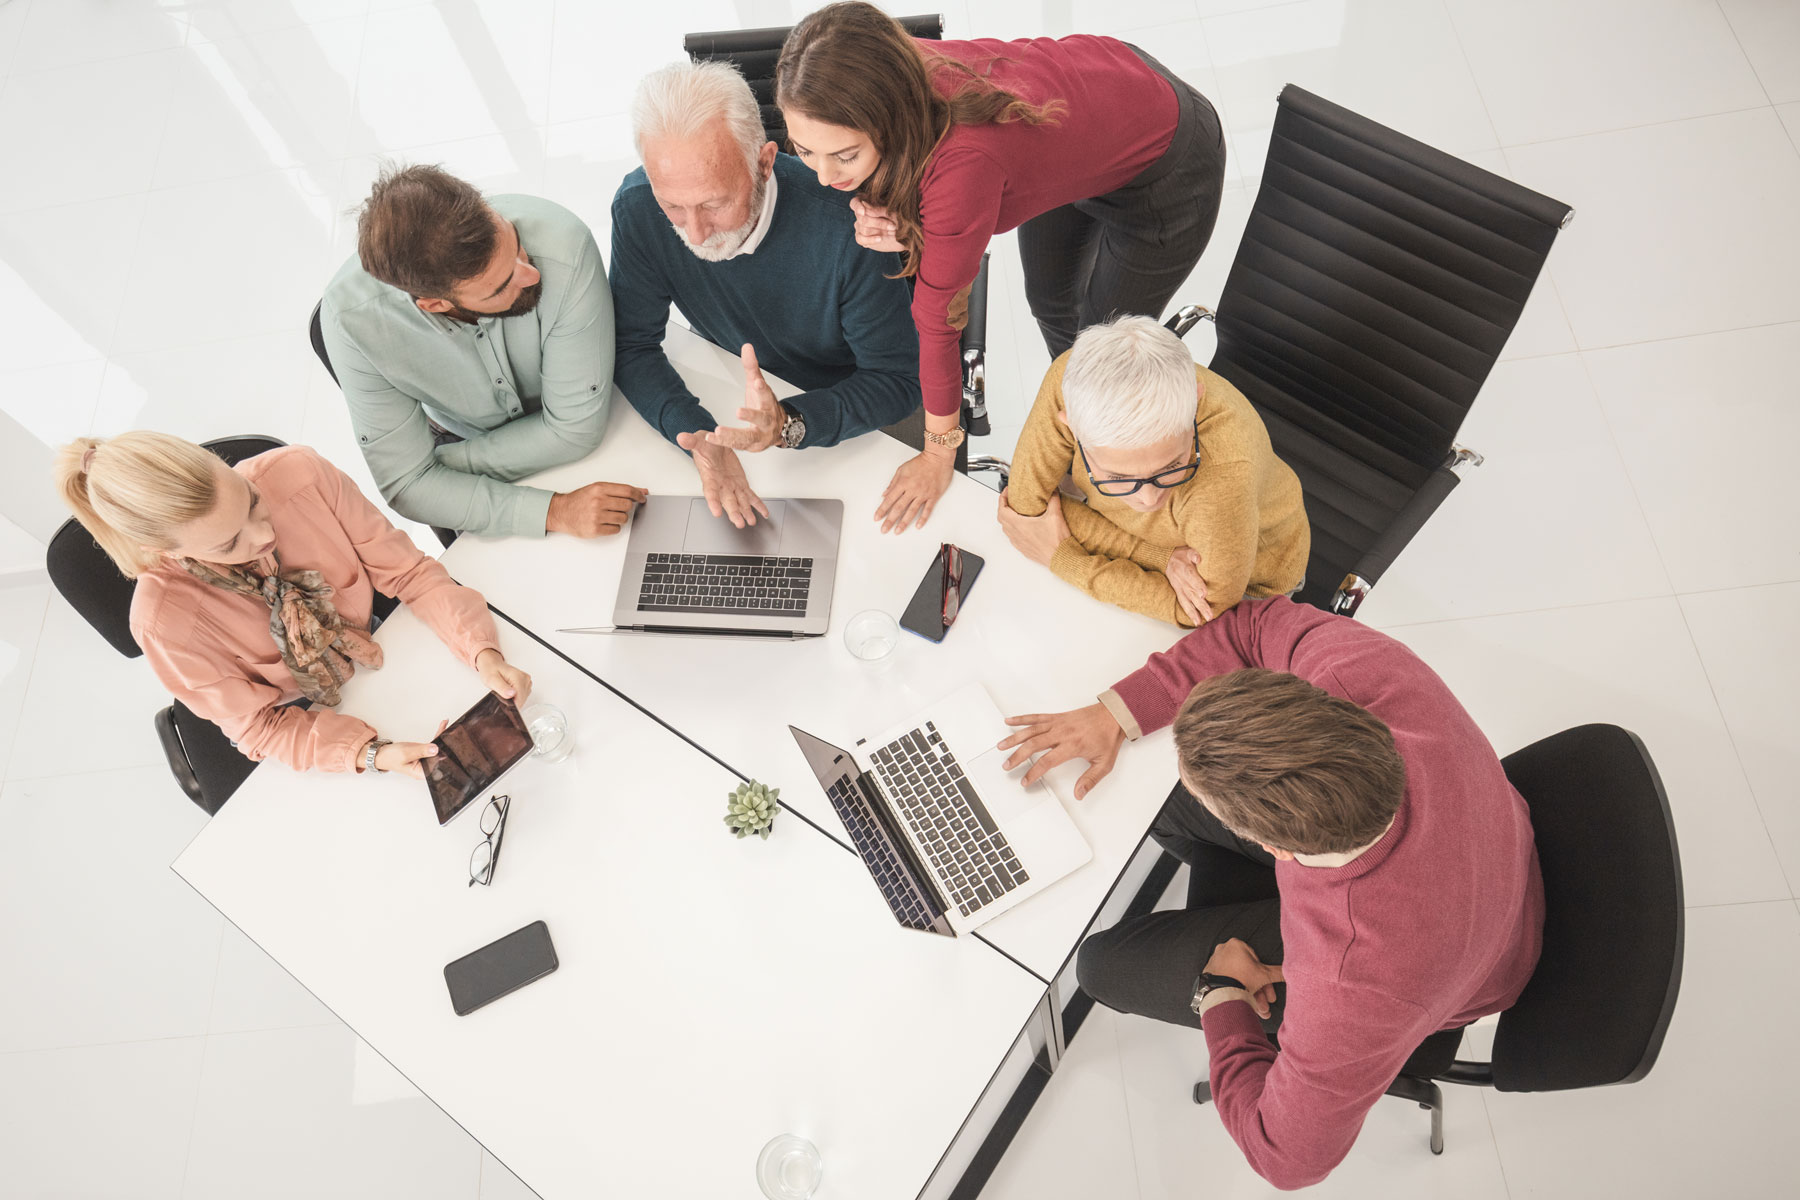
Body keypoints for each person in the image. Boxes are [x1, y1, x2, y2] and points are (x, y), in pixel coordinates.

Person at [996, 597, 1543, 1189]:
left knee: (1100, 965)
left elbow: (1287, 1161)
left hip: (1454, 955)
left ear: (1278, 851)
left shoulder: (1353, 984)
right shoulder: (1367, 674)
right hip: (1471, 845)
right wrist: (1119, 714)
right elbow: (1255, 623)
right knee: (1155, 796)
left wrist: (1221, 997)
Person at [775, 3, 1227, 532]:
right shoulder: (886, 66)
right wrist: (915, 219)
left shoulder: (965, 164)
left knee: (1106, 351)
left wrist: (939, 452)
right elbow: (939, 198)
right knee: (1051, 301)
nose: (825, 177)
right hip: (1080, 120)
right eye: (805, 151)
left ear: (888, 118)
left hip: (1165, 162)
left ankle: (1107, 446)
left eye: (844, 156)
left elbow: (938, 320)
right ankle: (1083, 410)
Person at [56, 432, 532, 778]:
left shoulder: (300, 473)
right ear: (169, 552)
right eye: (228, 544)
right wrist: (371, 754)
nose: (264, 535)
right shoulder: (165, 625)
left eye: (250, 501)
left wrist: (482, 651)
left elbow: (408, 574)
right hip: (310, 712)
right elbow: (261, 728)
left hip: (386, 642)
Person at [611, 62, 923, 531]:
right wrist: (697, 434)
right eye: (673, 205)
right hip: (736, 392)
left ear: (764, 161)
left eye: (714, 204)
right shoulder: (638, 207)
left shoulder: (851, 229)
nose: (693, 232)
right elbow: (631, 343)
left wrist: (788, 424)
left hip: (849, 405)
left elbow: (897, 380)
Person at [321, 164, 645, 540]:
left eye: (516, 247)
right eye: (501, 286)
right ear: (435, 305)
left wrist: (434, 473)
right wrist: (552, 511)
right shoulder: (351, 323)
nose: (531, 274)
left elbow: (575, 431)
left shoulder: (565, 246)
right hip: (458, 432)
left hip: (593, 415)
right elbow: (407, 490)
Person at [996, 316, 1307, 627]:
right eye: (1118, 477)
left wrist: (1066, 560)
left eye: (1171, 466)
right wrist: (1160, 557)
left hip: (1247, 586)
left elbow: (1203, 610)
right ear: (1071, 426)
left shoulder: (1223, 480)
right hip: (1173, 553)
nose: (1148, 498)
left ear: (1194, 406)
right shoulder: (1071, 380)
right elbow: (1025, 510)